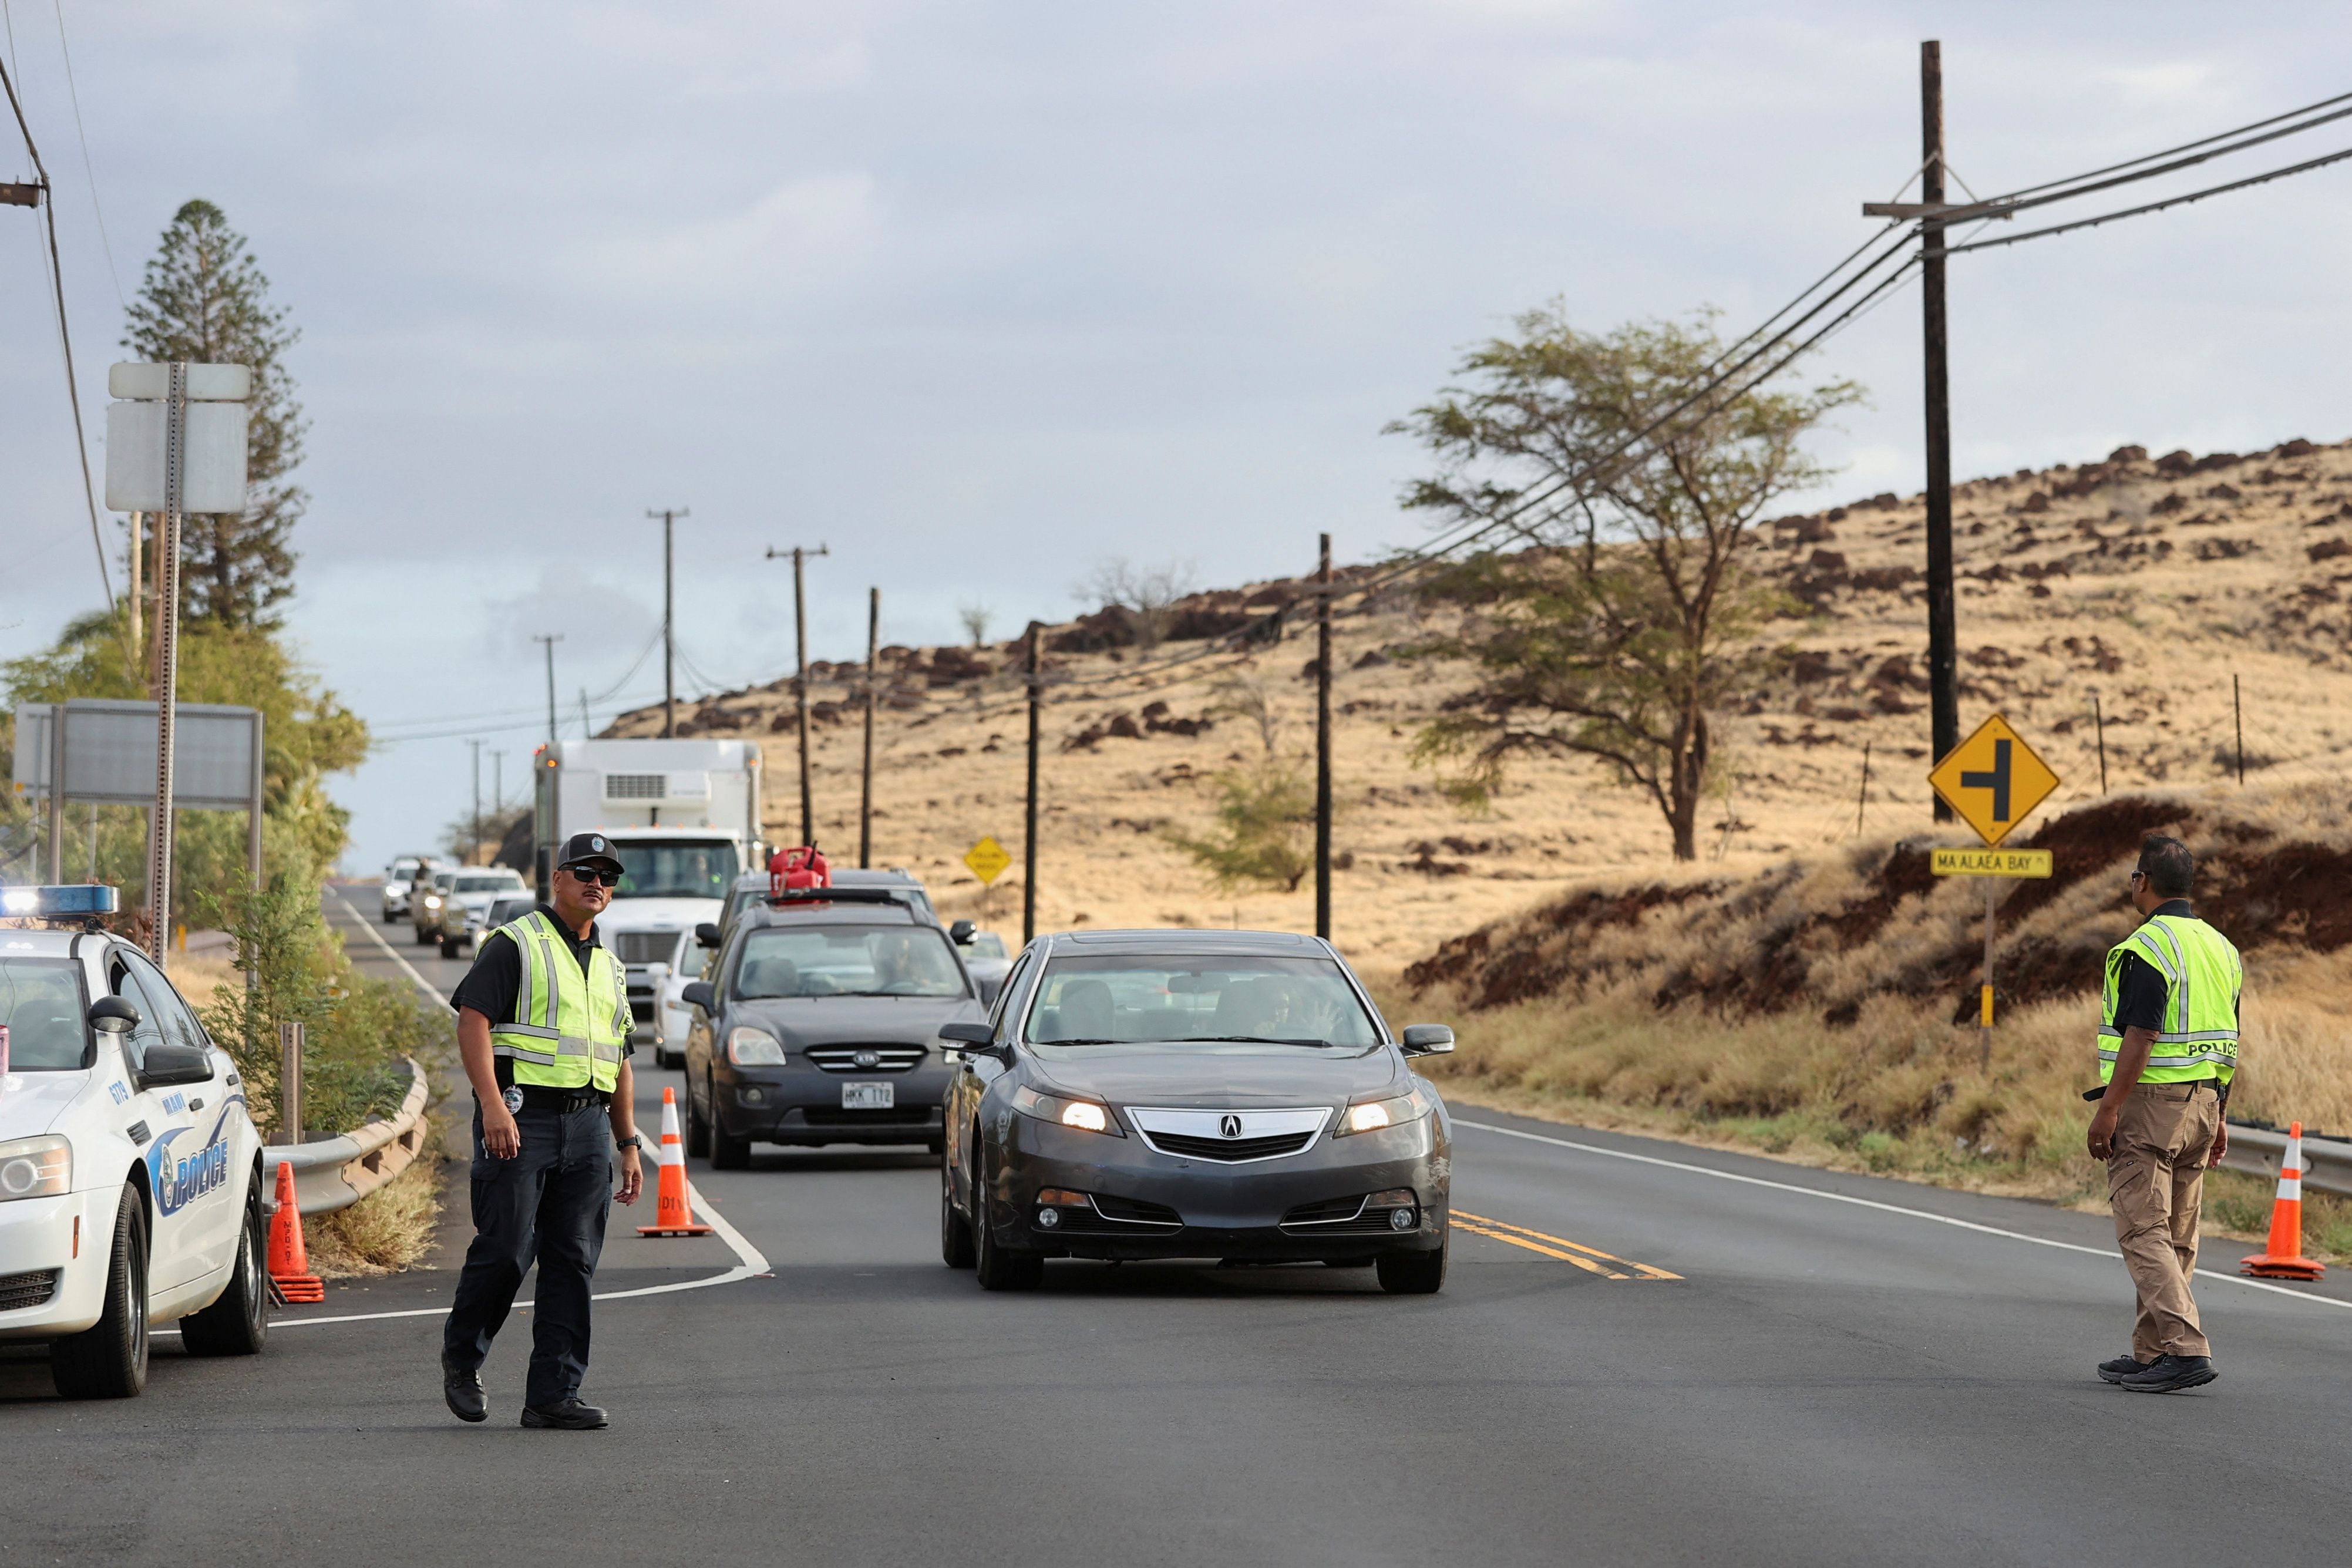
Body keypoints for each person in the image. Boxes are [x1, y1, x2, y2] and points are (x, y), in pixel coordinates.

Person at [440, 832, 645, 1429]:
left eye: (607, 876)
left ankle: (554, 1394)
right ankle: (461, 1357)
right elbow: (473, 1022)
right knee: (506, 1249)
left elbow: (620, 1059)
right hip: (520, 1117)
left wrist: (628, 1142)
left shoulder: (610, 966)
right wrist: (491, 1106)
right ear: (556, 879)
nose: (597, 884)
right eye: (585, 871)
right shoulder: (516, 944)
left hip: (587, 1127)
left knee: (572, 1260)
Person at [2085, 833, 2241, 1394]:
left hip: (2152, 1106)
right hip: (2203, 1101)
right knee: (2175, 1234)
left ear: (2141, 882)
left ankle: (2184, 1347)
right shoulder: (2221, 948)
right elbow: (2228, 1038)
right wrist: (2220, 1114)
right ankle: (2152, 1353)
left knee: (2141, 1228)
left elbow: (2142, 1034)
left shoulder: (2147, 947)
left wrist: (2108, 1111)